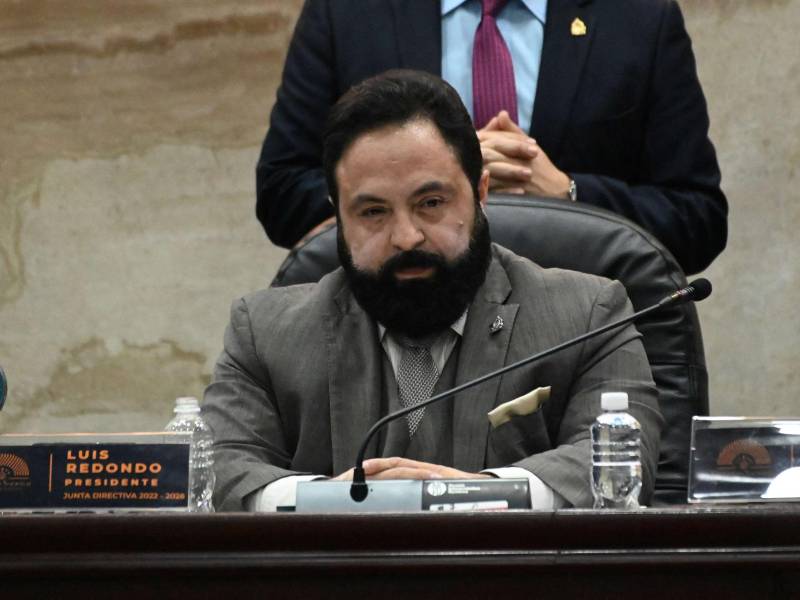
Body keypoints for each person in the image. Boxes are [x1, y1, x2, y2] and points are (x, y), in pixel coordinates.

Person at [206, 70, 662, 512]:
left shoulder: (589, 316)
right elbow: (218, 468)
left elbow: (620, 462)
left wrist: (470, 494)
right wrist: (330, 500)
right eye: (372, 212)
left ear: (481, 191)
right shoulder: (263, 334)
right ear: (338, 216)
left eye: (431, 203)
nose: (406, 237)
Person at [256, 0, 727, 275]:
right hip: (391, 332)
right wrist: (430, 178)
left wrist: (569, 194)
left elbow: (697, 220)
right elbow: (282, 195)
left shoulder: (639, 18)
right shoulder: (348, 14)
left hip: (582, 339)